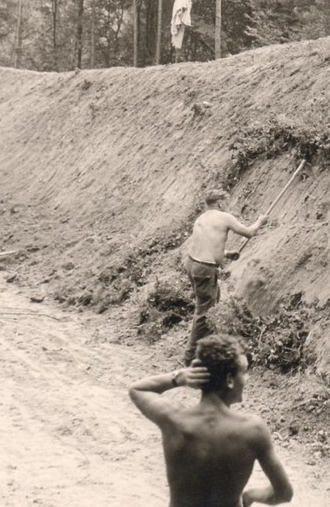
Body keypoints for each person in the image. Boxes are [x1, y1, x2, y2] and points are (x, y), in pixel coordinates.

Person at [129, 334, 293, 507]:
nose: (247, 379)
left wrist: (179, 377)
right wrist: (251, 495)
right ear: (229, 380)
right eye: (244, 372)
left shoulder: (175, 420)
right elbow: (284, 493)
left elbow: (137, 389)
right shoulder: (253, 429)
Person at [181, 189, 268, 366]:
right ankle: (190, 357)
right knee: (203, 312)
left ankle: (208, 346)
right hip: (205, 268)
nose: (228, 205)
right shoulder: (224, 217)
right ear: (220, 202)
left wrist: (227, 254)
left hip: (192, 264)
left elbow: (207, 244)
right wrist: (260, 221)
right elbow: (249, 232)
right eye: (226, 202)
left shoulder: (202, 218)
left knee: (213, 301)